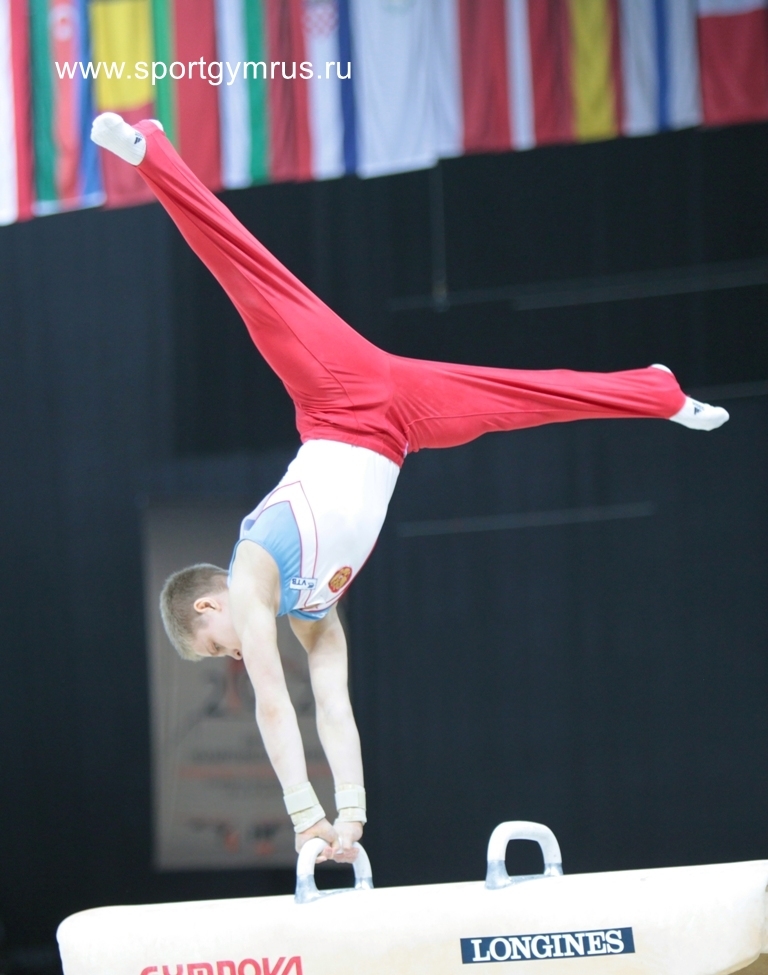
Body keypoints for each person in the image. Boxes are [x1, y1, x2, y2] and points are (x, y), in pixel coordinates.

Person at [91, 113, 729, 864]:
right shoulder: (313, 610)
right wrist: (350, 815)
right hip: (401, 426)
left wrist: (301, 816)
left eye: (214, 647)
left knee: (253, 283)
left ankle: (153, 154)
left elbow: (272, 703)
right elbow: (333, 708)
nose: (229, 655)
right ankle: (654, 390)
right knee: (520, 400)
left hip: (337, 396)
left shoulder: (252, 575)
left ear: (209, 606)